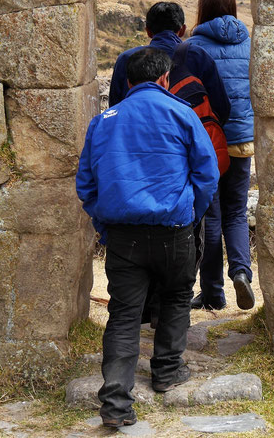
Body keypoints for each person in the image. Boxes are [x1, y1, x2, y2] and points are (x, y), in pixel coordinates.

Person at [76, 47, 220, 428]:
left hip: (124, 236)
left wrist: (105, 224)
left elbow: (86, 184)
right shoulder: (183, 114)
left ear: (127, 82)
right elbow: (207, 175)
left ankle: (116, 401)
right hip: (174, 229)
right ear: (164, 79)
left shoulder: (104, 121)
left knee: (123, 314)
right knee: (176, 296)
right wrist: (192, 214)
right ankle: (167, 371)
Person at [184, 0, 256, 311]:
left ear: (202, 7)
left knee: (209, 218)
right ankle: (241, 271)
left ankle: (213, 292)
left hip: (207, 145)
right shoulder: (250, 42)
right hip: (241, 142)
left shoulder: (193, 46)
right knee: (236, 214)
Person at [109, 2, 230, 126]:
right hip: (188, 140)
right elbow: (221, 107)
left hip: (137, 139)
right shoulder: (199, 57)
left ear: (148, 31)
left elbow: (114, 108)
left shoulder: (126, 59)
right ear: (182, 30)